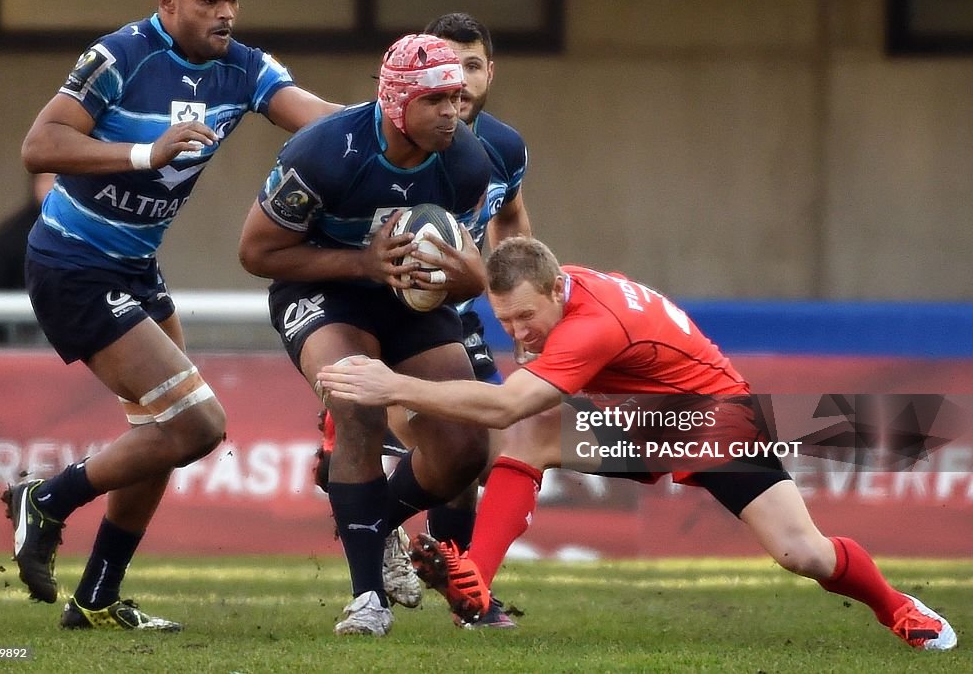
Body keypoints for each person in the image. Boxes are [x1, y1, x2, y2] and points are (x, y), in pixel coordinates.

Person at [317, 237, 958, 651]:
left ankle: (899, 607)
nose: (516, 331)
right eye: (503, 319)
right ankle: (475, 584)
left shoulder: (592, 326)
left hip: (714, 420)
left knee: (803, 554)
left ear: (557, 291)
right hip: (643, 417)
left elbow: (505, 402)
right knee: (530, 431)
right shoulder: (557, 291)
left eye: (524, 318)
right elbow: (514, 405)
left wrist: (390, 384)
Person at [3, 0, 340, 632]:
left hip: (135, 268)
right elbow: (39, 145)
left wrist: (395, 120)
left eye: (234, 1)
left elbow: (320, 118)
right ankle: (45, 497)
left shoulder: (244, 66)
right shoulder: (120, 55)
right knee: (196, 426)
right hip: (72, 262)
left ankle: (95, 599)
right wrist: (143, 152)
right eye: (210, 0)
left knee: (161, 434)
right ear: (168, 2)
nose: (226, 14)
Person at [238, 32, 493, 637]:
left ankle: (376, 527)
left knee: (465, 449)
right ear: (398, 102)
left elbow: (471, 269)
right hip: (323, 287)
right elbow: (256, 252)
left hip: (405, 294)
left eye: (458, 98)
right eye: (437, 101)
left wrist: (469, 278)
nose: (453, 113)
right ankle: (367, 600)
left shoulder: (467, 163)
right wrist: (362, 263)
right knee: (355, 406)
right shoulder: (323, 153)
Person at [310, 12, 532, 628]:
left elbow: (508, 220)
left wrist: (512, 297)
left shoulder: (500, 150)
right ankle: (381, 556)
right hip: (369, 296)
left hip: (452, 306)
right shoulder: (364, 146)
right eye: (445, 71)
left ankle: (445, 577)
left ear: (489, 73)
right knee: (390, 426)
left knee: (467, 453)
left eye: (471, 67)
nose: (458, 83)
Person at [0, 173, 55, 344]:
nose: (52, 186)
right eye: (46, 179)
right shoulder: (12, 233)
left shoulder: (85, 229)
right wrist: (15, 337)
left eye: (58, 179)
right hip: (28, 344)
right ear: (33, 184)